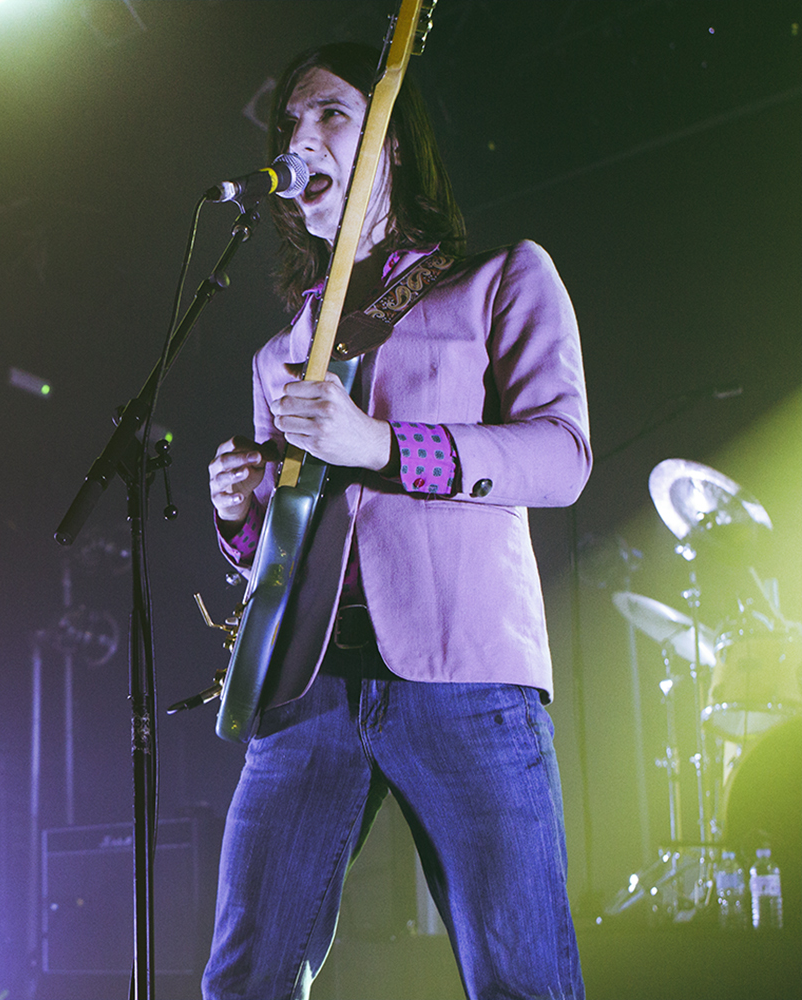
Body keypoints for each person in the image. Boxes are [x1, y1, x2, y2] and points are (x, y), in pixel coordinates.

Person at [203, 43, 590, 1000]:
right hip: (309, 690)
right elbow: (282, 549)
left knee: (522, 981)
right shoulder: (280, 353)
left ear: (394, 147)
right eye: (291, 125)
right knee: (245, 981)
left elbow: (562, 456)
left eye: (331, 115)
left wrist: (380, 444)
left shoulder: (498, 280)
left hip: (466, 679)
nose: (303, 138)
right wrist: (242, 516)